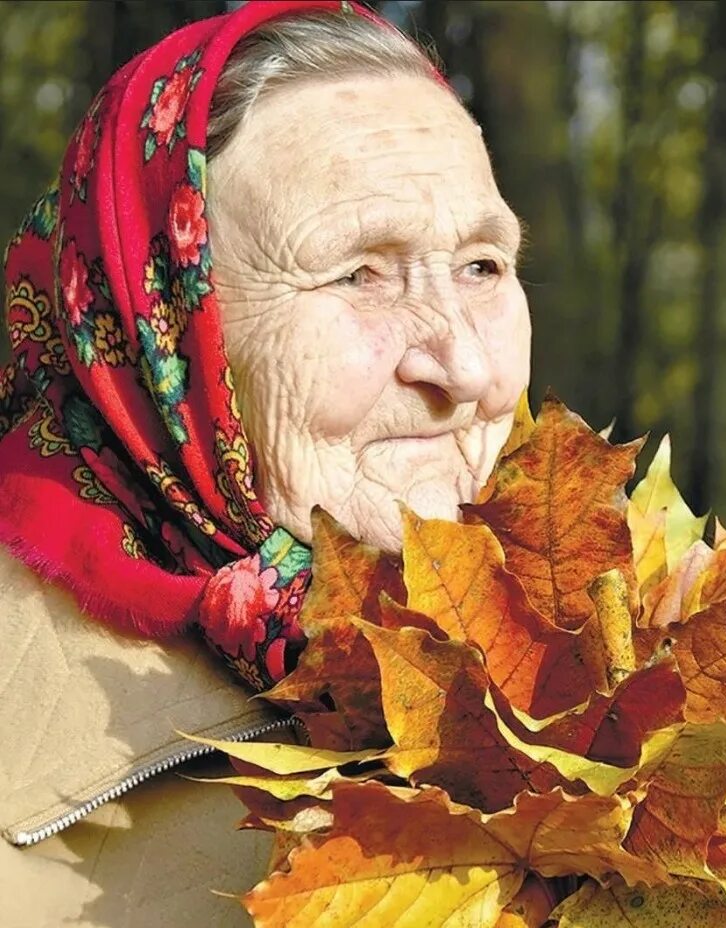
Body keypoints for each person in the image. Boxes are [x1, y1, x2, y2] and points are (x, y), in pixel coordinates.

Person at [0, 2, 531, 925]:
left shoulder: (654, 652)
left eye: (484, 266)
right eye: (362, 273)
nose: (469, 371)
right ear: (160, 332)